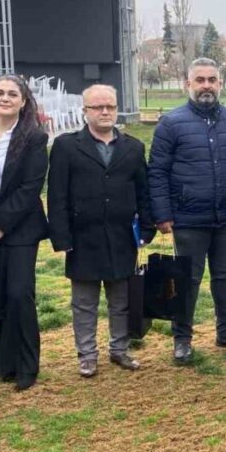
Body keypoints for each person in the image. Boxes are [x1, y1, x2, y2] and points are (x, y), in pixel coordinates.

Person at [149, 57, 226, 364]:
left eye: (212, 80)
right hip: (188, 217)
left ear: (220, 83)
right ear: (189, 84)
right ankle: (182, 339)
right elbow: (157, 171)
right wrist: (163, 214)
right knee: (187, 279)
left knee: (225, 276)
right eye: (200, 80)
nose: (206, 85)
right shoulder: (170, 123)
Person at [48, 84, 152, 378]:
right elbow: (57, 195)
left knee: (121, 300)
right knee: (84, 302)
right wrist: (61, 236)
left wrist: (147, 229)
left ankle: (119, 349)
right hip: (83, 238)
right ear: (85, 112)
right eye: (97, 107)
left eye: (110, 107)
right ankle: (87, 355)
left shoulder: (133, 147)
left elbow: (143, 192)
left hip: (122, 237)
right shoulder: (67, 146)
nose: (105, 112)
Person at [0, 76, 49, 391]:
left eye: (12, 94)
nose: (5, 98)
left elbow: (31, 187)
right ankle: (5, 364)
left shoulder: (33, 137)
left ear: (23, 100)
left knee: (19, 294)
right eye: (0, 92)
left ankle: (28, 365)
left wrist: (1, 224)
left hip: (20, 225)